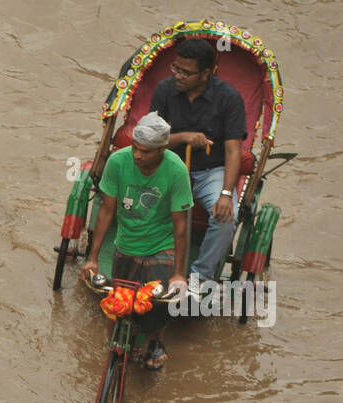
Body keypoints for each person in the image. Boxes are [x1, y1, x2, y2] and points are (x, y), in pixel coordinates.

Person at [82, 112, 193, 370]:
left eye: (145, 151)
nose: (137, 156)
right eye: (134, 148)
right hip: (127, 243)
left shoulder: (176, 170)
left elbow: (180, 226)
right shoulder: (118, 162)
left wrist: (179, 274)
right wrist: (93, 258)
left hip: (160, 244)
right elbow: (106, 211)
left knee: (156, 303)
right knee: (119, 306)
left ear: (162, 149)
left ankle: (156, 340)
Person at [149, 37, 248, 285]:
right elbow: (152, 141)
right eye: (176, 69)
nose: (178, 76)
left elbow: (233, 151)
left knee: (226, 217)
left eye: (186, 72)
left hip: (210, 172)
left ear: (206, 73)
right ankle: (143, 260)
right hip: (169, 165)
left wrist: (226, 193)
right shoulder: (164, 90)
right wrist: (183, 137)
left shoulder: (229, 98)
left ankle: (200, 276)